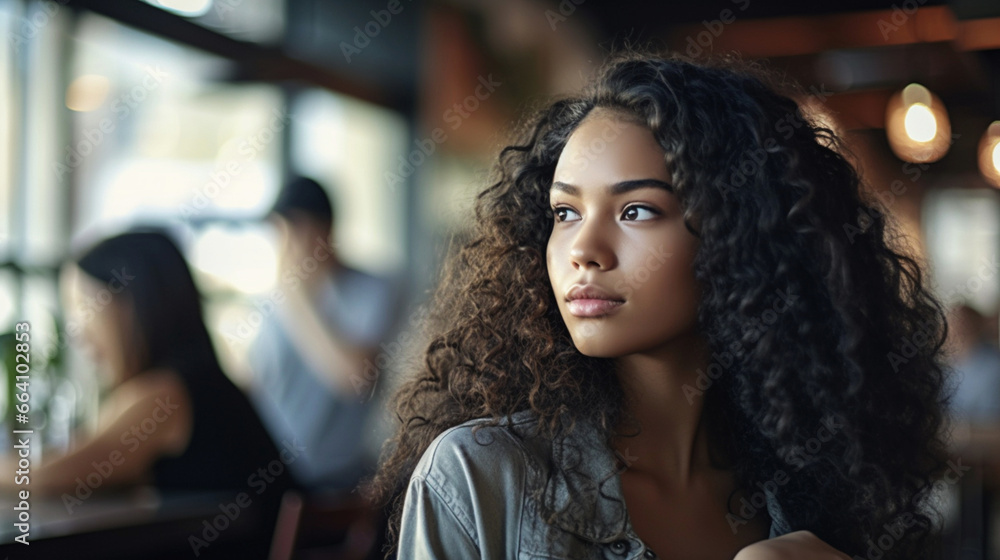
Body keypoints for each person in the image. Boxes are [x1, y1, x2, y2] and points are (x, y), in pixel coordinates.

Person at [363, 51, 954, 560]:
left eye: (636, 211)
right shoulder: (477, 476)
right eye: (565, 213)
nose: (584, 251)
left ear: (739, 238)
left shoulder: (815, 489)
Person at [3, 230, 295, 550]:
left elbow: (47, 478)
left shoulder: (165, 396)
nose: (78, 332)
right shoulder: (202, 381)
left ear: (133, 303)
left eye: (85, 306)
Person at [246, 176, 401, 492]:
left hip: (336, 478)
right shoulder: (274, 300)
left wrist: (299, 297)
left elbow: (354, 378)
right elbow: (255, 383)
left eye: (297, 229)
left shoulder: (372, 289)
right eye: (281, 232)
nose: (287, 244)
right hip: (271, 476)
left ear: (326, 230)